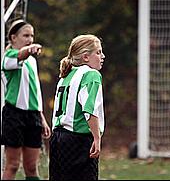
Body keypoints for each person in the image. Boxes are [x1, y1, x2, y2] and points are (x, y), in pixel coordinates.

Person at [49, 34, 105, 180]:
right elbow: (89, 110)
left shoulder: (65, 75)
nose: (102, 56)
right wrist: (97, 138)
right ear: (86, 57)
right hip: (78, 141)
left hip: (58, 139)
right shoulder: (91, 74)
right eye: (98, 52)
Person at [1, 19, 51, 180]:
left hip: (33, 116)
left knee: (31, 167)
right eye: (26, 35)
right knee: (13, 165)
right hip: (14, 115)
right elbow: (20, 55)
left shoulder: (32, 61)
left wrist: (41, 118)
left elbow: (35, 91)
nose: (30, 39)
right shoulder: (8, 57)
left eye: (32, 36)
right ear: (13, 37)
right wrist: (30, 49)